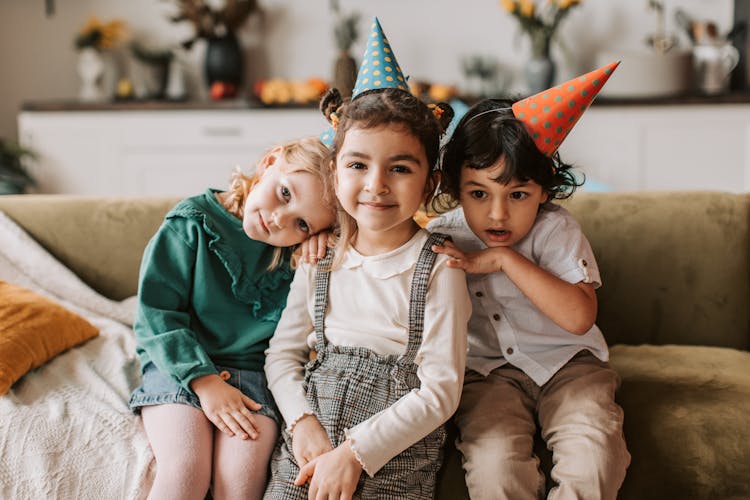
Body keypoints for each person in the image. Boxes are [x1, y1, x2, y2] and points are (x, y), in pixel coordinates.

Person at [263, 18, 471, 500]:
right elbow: (283, 354)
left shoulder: (439, 267)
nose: (376, 185)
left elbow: (440, 391)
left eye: (399, 168)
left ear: (430, 184)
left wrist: (354, 455)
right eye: (358, 165)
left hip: (393, 452)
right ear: (335, 173)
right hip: (308, 443)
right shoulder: (320, 258)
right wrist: (301, 424)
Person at [427, 62, 631, 500]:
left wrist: (502, 259)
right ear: (455, 188)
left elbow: (579, 318)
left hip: (570, 366)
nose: (498, 214)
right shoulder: (442, 235)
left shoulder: (555, 229)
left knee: (595, 459)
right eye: (479, 193)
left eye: (518, 194)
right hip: (486, 377)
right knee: (494, 469)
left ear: (543, 190)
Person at [129, 136, 337, 500]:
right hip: (181, 367)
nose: (278, 220)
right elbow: (156, 316)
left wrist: (328, 241)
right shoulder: (193, 223)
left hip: (252, 380)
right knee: (185, 471)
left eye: (302, 223)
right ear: (271, 160)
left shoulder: (297, 257)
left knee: (239, 485)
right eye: (286, 193)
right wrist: (205, 383)